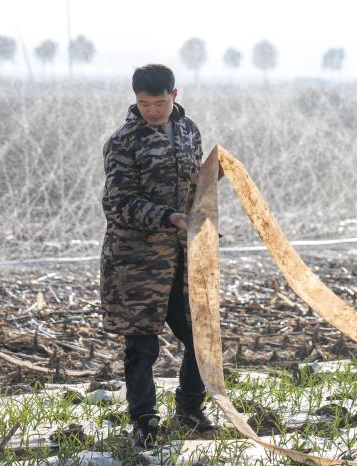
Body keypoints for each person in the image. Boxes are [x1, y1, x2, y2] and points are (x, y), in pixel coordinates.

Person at [99, 64, 219, 449]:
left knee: (200, 336)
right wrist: (168, 217)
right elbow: (119, 203)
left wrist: (206, 187)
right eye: (144, 103)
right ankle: (144, 420)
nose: (152, 111)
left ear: (174, 96)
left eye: (160, 103)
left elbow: (192, 186)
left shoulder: (188, 130)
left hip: (182, 256)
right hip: (137, 261)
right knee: (142, 346)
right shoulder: (123, 142)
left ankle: (190, 409)